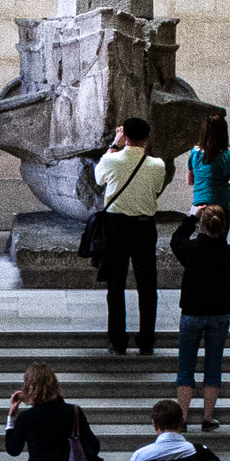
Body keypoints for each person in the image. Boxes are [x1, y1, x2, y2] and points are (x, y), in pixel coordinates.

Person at [94, 115, 166, 354]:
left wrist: (114, 144)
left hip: (116, 226)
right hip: (144, 226)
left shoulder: (111, 160)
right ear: (147, 137)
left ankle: (118, 340)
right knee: (147, 285)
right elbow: (156, 190)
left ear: (124, 135)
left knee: (116, 285)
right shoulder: (157, 164)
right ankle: (146, 341)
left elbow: (98, 178)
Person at [170, 204, 230, 431]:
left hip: (192, 312)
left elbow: (176, 240)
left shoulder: (191, 249)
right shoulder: (229, 253)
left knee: (186, 367)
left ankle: (183, 419)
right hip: (218, 314)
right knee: (213, 366)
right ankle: (207, 418)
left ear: (202, 224)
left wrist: (190, 217)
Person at [186, 108, 230, 228]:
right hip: (219, 206)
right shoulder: (226, 156)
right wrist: (226, 182)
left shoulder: (194, 153)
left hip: (198, 206)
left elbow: (190, 180)